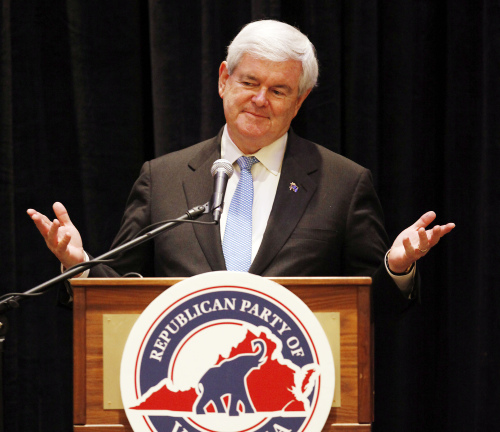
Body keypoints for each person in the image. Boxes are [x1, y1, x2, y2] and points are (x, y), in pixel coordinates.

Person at [27, 20, 454, 305]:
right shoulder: (164, 177)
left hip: (296, 408)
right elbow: (120, 293)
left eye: (279, 90)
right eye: (249, 81)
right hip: (181, 412)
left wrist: (395, 268)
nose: (259, 99)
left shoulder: (343, 183)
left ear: (300, 100)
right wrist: (79, 265)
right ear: (222, 80)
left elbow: (372, 306)